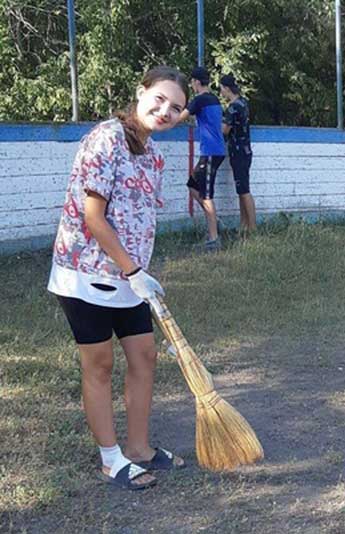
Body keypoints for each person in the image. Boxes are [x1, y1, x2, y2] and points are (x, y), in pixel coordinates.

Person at [48, 66, 189, 490]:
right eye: (160, 99)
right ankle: (111, 458)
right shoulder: (106, 139)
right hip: (85, 274)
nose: (165, 111)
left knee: (144, 356)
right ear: (140, 91)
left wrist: (139, 272)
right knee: (101, 364)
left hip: (129, 278)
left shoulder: (154, 155)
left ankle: (140, 448)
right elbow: (94, 217)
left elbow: (138, 220)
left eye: (176, 108)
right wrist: (133, 270)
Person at [179, 66, 226, 251]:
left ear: (197, 82)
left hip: (210, 152)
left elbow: (180, 117)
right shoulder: (214, 99)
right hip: (215, 151)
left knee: (206, 196)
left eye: (192, 82)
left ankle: (214, 239)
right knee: (192, 186)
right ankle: (214, 220)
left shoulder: (199, 100)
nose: (191, 85)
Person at [220, 74, 256, 233]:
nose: (221, 92)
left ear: (227, 88)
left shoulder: (233, 107)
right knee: (241, 189)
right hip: (245, 150)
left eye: (221, 89)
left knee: (244, 190)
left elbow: (224, 130)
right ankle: (244, 225)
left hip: (238, 151)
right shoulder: (244, 103)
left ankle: (252, 228)